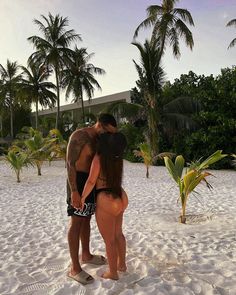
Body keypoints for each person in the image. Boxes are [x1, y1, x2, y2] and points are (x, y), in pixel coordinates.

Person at [66, 114, 117, 285]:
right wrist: (74, 191)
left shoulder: (100, 141)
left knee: (86, 219)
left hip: (91, 182)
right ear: (100, 125)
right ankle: (74, 268)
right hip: (78, 182)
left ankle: (86, 254)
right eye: (108, 131)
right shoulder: (80, 136)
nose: (109, 135)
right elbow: (70, 164)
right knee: (76, 222)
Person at [80, 132, 128, 280]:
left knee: (109, 240)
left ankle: (112, 273)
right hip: (120, 196)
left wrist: (82, 198)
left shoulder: (99, 158)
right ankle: (122, 265)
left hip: (105, 199)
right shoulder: (117, 158)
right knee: (118, 234)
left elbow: (91, 181)